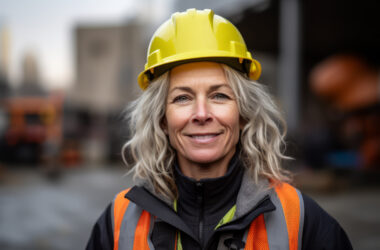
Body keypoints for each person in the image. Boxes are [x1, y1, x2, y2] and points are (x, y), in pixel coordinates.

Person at [86, 9, 352, 250]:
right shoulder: (119, 222)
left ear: (244, 114)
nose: (202, 114)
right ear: (162, 119)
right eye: (182, 98)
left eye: (219, 96)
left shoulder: (299, 219)